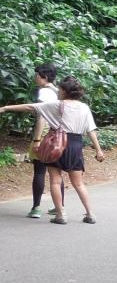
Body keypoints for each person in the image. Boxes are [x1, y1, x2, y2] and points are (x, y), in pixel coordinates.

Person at [1, 75, 104, 223]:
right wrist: (98, 150)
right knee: (78, 183)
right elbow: (91, 130)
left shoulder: (57, 105)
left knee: (55, 181)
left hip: (58, 144)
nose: (58, 91)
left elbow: (30, 107)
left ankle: (60, 215)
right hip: (76, 145)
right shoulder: (84, 107)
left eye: (60, 89)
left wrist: (5, 108)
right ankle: (90, 214)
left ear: (64, 91)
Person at [26, 63, 65, 219]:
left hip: (45, 136)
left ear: (45, 77)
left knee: (39, 171)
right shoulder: (58, 92)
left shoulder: (44, 92)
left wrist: (37, 140)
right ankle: (59, 206)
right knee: (57, 173)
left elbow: (42, 117)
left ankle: (36, 208)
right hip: (58, 136)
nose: (35, 78)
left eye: (37, 75)